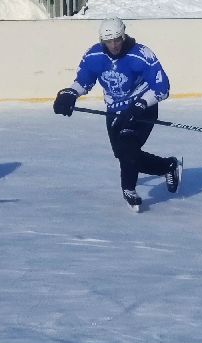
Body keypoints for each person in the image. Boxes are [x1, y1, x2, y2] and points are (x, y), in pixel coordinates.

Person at [53, 18, 180, 212]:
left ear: (124, 35)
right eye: (108, 41)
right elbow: (83, 80)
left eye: (117, 39)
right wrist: (70, 94)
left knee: (127, 145)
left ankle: (129, 189)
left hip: (142, 108)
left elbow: (162, 88)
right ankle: (167, 166)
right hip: (114, 110)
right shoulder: (94, 54)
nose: (113, 45)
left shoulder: (141, 55)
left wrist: (141, 104)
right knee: (122, 153)